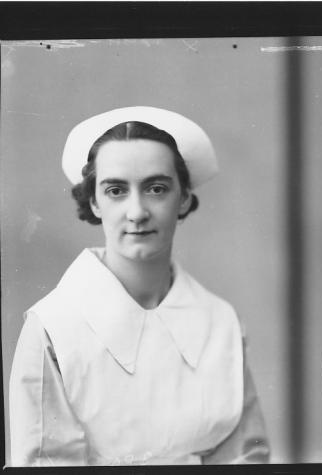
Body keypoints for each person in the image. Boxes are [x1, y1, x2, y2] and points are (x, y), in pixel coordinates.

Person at [9, 106, 270, 466]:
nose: (136, 212)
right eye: (116, 190)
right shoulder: (54, 328)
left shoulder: (220, 321)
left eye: (156, 188)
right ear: (93, 202)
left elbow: (247, 458)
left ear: (184, 198)